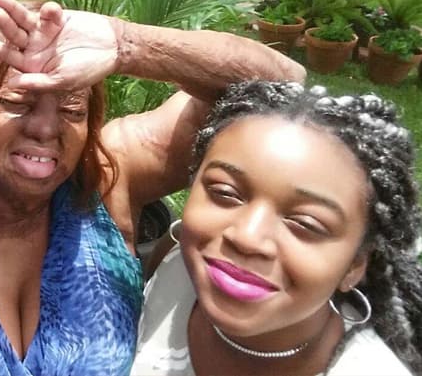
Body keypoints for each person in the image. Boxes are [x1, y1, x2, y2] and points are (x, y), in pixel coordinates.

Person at [0, 0, 306, 375]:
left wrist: (125, 43)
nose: (46, 128)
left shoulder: (105, 179)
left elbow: (281, 85)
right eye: (18, 101)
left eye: (72, 109)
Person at [132, 81, 422, 376]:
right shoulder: (177, 265)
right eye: (224, 192)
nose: (247, 237)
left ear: (355, 266)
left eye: (306, 223)